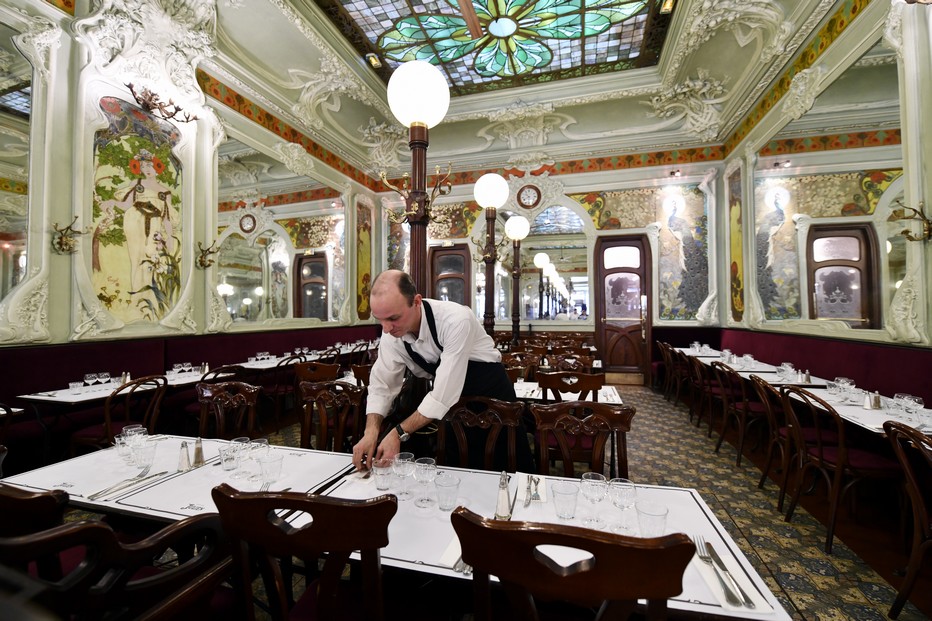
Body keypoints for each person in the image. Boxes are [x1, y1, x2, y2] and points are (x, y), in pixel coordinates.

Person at [352, 270, 534, 472]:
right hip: (452, 408)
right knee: (456, 471)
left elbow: (442, 395)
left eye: (393, 318)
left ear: (417, 301)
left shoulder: (456, 320)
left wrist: (398, 433)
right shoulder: (392, 334)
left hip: (492, 397)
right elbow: (382, 386)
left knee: (508, 467)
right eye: (380, 319)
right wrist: (370, 433)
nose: (386, 329)